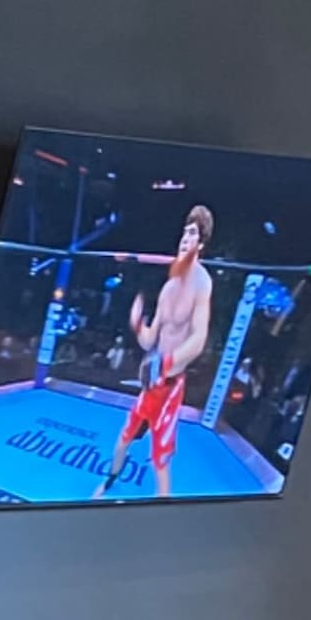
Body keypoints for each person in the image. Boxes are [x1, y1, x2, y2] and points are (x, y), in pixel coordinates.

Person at [102, 202, 215, 501]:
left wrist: (167, 363)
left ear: (201, 244)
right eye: (184, 233)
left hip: (170, 386)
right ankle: (109, 480)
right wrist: (138, 324)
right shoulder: (169, 288)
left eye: (192, 234)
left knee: (160, 459)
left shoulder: (202, 283)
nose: (185, 239)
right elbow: (150, 340)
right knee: (124, 437)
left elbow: (198, 340)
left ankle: (161, 505)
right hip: (151, 383)